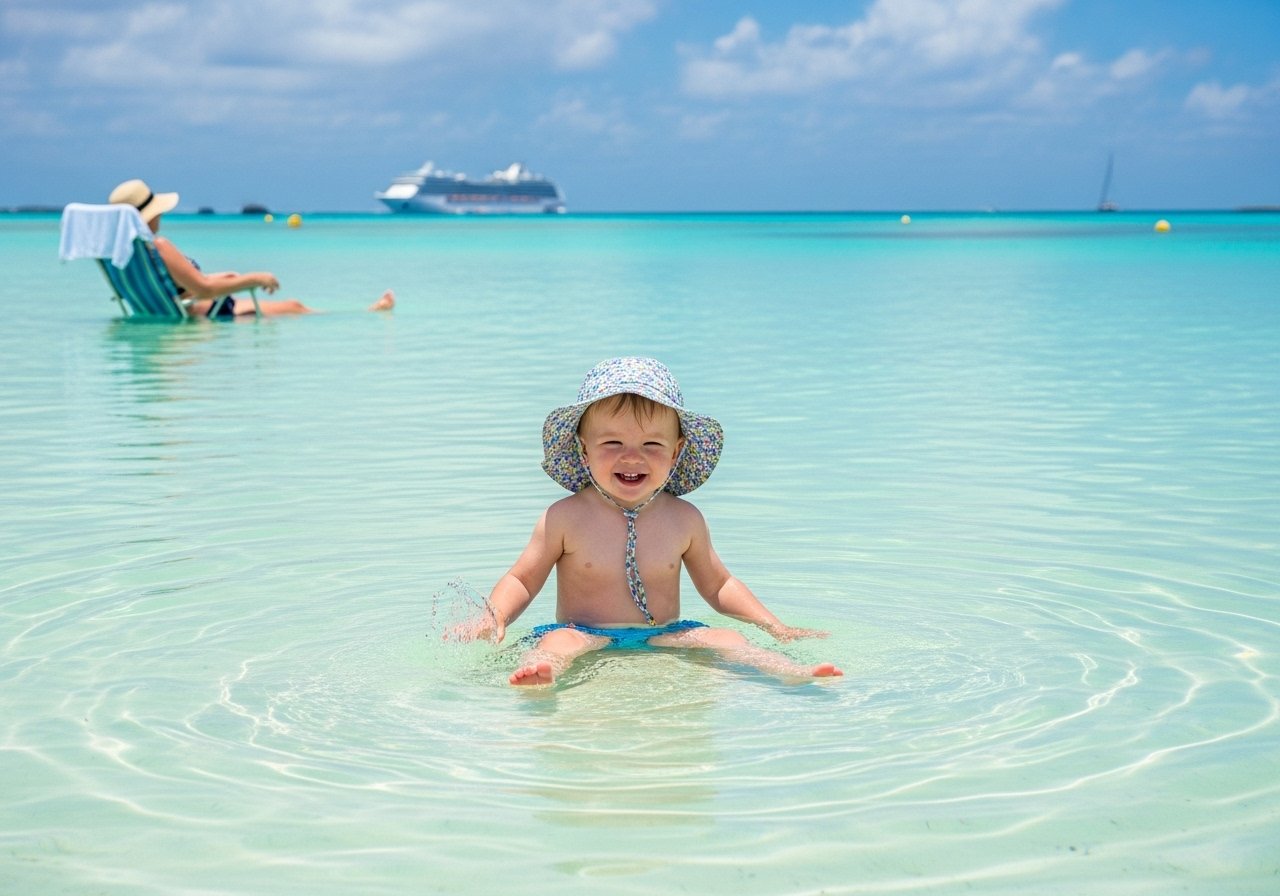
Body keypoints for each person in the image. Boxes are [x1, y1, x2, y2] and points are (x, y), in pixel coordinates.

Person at [460, 357, 843, 686]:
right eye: (612, 444)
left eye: (651, 445)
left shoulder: (684, 519)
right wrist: (493, 617)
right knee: (558, 644)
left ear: (676, 452)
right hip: (587, 633)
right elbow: (522, 579)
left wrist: (773, 625)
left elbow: (720, 584)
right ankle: (543, 674)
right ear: (583, 449)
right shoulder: (565, 517)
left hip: (664, 633)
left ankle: (788, 670)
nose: (632, 458)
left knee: (725, 639)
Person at [108, 179, 395, 317]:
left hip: (181, 309)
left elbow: (174, 286)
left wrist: (227, 278)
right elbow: (205, 291)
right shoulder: (158, 246)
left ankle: (367, 311)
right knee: (295, 307)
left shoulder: (121, 253)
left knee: (286, 304)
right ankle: (366, 313)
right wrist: (256, 278)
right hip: (207, 311)